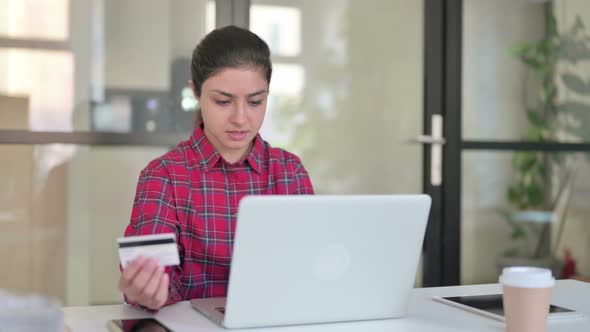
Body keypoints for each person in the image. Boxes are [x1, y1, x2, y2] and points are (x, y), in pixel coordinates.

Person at [118, 25, 314, 310]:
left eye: (256, 101)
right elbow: (155, 278)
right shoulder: (164, 176)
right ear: (195, 92)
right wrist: (148, 290)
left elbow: (310, 268)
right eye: (223, 101)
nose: (240, 118)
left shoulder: (290, 172)